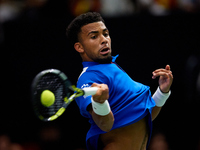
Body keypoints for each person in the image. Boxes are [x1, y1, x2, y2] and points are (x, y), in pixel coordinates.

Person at [66, 12, 173, 150]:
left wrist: (162, 92)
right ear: (79, 47)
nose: (104, 40)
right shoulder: (88, 78)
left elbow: (145, 115)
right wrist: (100, 102)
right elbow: (105, 125)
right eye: (94, 36)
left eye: (105, 34)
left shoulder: (112, 67)